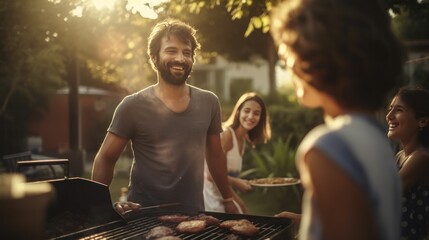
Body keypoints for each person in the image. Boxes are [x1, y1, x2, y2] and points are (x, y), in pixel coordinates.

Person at [270, 0, 406, 239]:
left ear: (319, 58)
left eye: (290, 52)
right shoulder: (376, 137)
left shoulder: (327, 146)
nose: (288, 64)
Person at [91, 18, 239, 214]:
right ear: (154, 57)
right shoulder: (132, 105)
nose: (180, 58)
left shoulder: (209, 102)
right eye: (171, 51)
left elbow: (215, 155)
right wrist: (97, 206)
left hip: (193, 215)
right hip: (141, 215)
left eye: (187, 53)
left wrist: (227, 197)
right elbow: (105, 158)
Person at [203, 92, 271, 213]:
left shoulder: (243, 140)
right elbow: (209, 173)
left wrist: (241, 204)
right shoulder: (227, 135)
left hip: (225, 196)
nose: (250, 116)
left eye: (256, 113)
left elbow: (226, 180)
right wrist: (236, 183)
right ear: (238, 111)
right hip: (211, 199)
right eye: (247, 111)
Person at [386, 86, 429, 240]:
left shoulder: (421, 157)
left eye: (399, 110)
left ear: (422, 121)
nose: (389, 116)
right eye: (390, 109)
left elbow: (384, 194)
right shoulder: (400, 156)